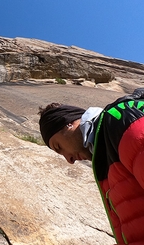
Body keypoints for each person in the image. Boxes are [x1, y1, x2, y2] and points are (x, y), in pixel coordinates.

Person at [38, 87, 144, 245]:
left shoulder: (120, 121)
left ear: (69, 124)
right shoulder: (104, 150)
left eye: (59, 147)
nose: (69, 160)